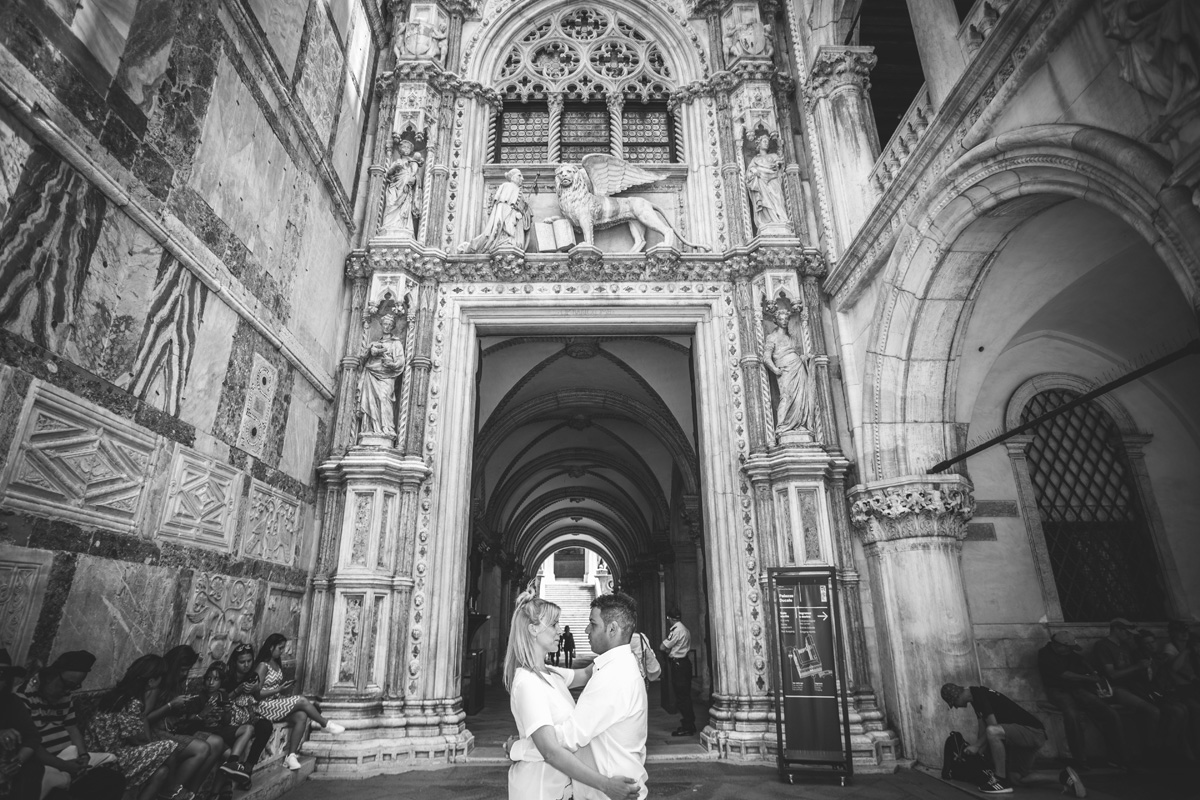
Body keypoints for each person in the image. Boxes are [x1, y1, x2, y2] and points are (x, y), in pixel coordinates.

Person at [502, 588, 639, 800]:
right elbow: (551, 751)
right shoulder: (527, 683)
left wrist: (622, 654)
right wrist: (606, 785)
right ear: (533, 629)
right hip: (538, 791)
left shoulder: (552, 673)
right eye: (554, 625)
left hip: (562, 790)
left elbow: (586, 672)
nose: (559, 631)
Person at [87, 655, 207, 800]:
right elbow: (138, 739)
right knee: (169, 746)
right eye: (159, 679)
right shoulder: (130, 702)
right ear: (150, 681)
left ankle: (167, 792)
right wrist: (154, 747)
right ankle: (171, 790)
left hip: (110, 753)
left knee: (162, 771)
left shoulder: (115, 695)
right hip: (110, 759)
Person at [16, 650, 118, 799]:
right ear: (51, 675)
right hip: (44, 764)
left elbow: (72, 728)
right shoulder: (23, 695)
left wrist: (83, 756)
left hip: (69, 759)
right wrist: (64, 766)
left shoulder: (65, 695)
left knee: (112, 780)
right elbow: (32, 745)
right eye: (66, 685)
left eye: (73, 687)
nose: (67, 691)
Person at [941, 682, 1060, 795]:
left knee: (993, 731)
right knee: (1017, 779)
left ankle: (1000, 780)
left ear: (957, 696)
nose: (956, 707)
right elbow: (982, 728)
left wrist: (977, 746)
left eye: (954, 703)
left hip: (1034, 732)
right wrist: (978, 752)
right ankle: (1062, 777)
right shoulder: (975, 698)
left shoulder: (979, 696)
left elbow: (992, 727)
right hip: (1021, 738)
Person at [250, 634, 344, 771]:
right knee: (302, 700)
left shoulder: (276, 663)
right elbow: (256, 694)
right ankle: (325, 724)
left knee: (301, 716)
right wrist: (278, 689)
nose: (282, 651)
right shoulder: (262, 666)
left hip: (274, 702)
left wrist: (282, 690)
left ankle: (291, 756)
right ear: (270, 647)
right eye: (280, 648)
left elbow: (274, 689)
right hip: (262, 706)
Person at [1037, 630, 1127, 767]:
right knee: (1072, 716)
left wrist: (1093, 672)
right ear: (1059, 646)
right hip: (1058, 691)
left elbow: (1081, 660)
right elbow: (1065, 675)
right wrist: (1089, 678)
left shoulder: (1069, 653)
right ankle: (1080, 759)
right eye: (1068, 648)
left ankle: (1119, 756)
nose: (1070, 651)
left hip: (1078, 689)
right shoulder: (1045, 654)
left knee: (1110, 713)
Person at [145, 646, 228, 796]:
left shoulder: (178, 683)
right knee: (202, 748)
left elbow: (180, 717)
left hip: (176, 729)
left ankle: (191, 792)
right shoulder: (157, 683)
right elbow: (145, 718)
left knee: (217, 743)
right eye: (182, 669)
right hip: (156, 733)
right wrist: (171, 706)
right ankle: (172, 793)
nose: (185, 674)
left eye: (187, 670)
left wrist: (186, 708)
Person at [1092, 618, 1162, 760]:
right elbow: (1112, 675)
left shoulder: (1125, 646)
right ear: (1117, 629)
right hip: (1115, 689)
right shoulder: (1102, 646)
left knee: (1164, 707)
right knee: (1153, 711)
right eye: (1126, 632)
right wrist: (1137, 667)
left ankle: (1146, 748)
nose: (1129, 636)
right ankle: (1151, 750)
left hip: (1132, 687)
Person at [222, 644, 274, 788]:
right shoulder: (227, 677)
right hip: (229, 717)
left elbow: (257, 698)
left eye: (249, 661)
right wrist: (237, 691)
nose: (246, 665)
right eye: (242, 662)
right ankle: (237, 773)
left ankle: (248, 768)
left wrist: (256, 688)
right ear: (235, 662)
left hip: (248, 715)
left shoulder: (253, 676)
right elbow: (220, 699)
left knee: (266, 726)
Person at [762, 303, 815, 435]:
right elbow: (766, 357)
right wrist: (775, 369)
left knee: (800, 397)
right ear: (775, 321)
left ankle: (799, 424)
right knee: (786, 396)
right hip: (784, 370)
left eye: (786, 319)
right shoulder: (772, 337)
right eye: (781, 319)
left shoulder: (792, 338)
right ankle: (782, 426)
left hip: (798, 367)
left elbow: (795, 353)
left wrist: (803, 357)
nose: (784, 321)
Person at [357, 311, 407, 441]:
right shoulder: (374, 343)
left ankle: (387, 429)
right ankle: (372, 428)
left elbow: (401, 361)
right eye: (384, 323)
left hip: (387, 375)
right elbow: (362, 359)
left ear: (392, 326)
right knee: (371, 399)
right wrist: (370, 351)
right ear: (381, 325)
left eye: (389, 324)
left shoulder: (396, 343)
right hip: (372, 372)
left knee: (384, 397)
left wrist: (391, 363)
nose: (386, 326)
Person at [0, 649, 41, 800]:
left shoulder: (11, 702)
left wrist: (17, 762)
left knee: (33, 768)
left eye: (3, 675)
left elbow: (33, 738)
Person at [461, 168, 530, 253]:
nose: (522, 179)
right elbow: (503, 206)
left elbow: (523, 210)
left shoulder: (520, 192)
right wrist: (507, 217)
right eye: (519, 176)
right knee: (499, 236)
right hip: (508, 217)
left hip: (516, 221)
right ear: (512, 177)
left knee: (516, 242)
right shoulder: (507, 186)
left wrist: (523, 209)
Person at [379, 139, 423, 239]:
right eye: (404, 147)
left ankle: (403, 226)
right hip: (395, 187)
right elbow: (388, 174)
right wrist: (394, 167)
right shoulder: (397, 161)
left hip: (406, 189)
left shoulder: (412, 162)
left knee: (405, 207)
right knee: (391, 203)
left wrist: (414, 179)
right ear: (399, 149)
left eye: (408, 147)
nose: (406, 149)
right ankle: (389, 226)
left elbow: (416, 176)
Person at [660, 609, 695, 737]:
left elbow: (663, 647)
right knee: (685, 695)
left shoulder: (676, 630)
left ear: (670, 618)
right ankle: (689, 723)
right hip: (684, 663)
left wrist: (669, 653)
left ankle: (688, 726)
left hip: (679, 665)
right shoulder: (685, 629)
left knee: (682, 697)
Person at [745, 134, 788, 230]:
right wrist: (755, 171)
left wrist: (777, 164)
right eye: (764, 141)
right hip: (762, 182)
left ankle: (780, 220)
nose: (766, 144)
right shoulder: (755, 160)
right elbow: (749, 173)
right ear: (759, 144)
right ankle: (767, 221)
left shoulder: (773, 156)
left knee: (778, 199)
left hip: (773, 181)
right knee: (765, 201)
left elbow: (779, 166)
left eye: (767, 142)